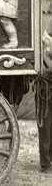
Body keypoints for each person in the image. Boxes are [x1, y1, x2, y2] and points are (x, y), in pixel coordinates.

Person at [36, 31, 52, 173]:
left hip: (47, 88)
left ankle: (47, 160)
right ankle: (45, 163)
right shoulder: (41, 48)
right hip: (44, 91)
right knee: (45, 127)